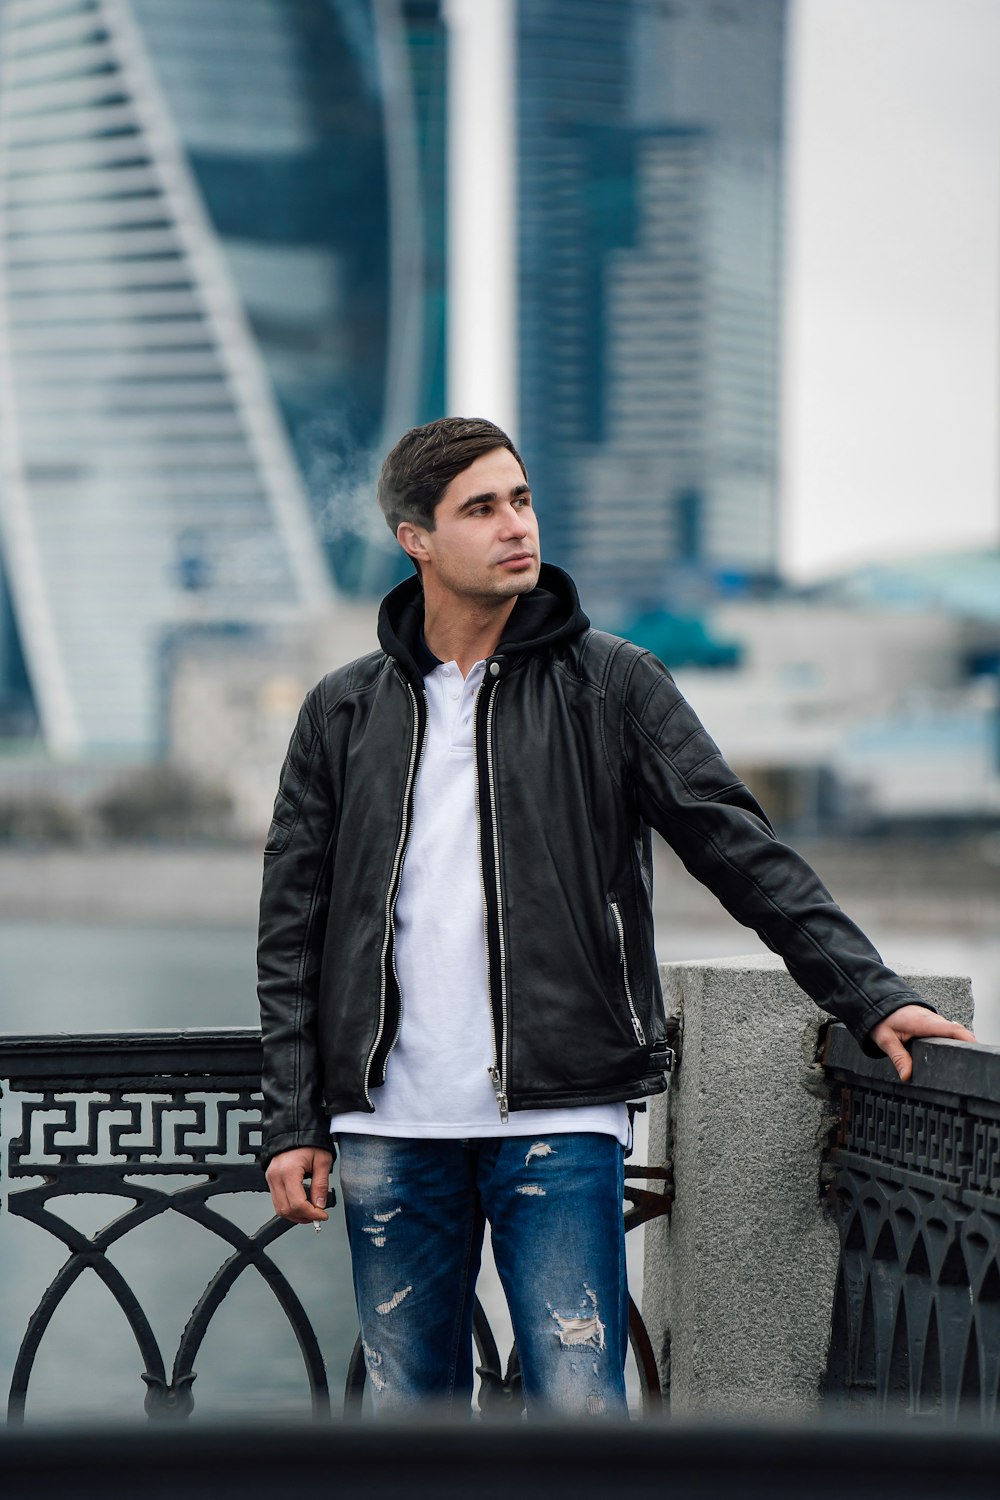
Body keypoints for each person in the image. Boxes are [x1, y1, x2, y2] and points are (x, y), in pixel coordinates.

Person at [257, 416, 974, 1418]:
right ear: (414, 538)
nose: (515, 526)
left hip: (561, 1111)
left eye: (521, 499)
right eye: (480, 509)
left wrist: (869, 994)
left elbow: (736, 847)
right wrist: (295, 1118)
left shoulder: (611, 683)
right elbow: (292, 925)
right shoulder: (342, 709)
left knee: (582, 1414)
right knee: (405, 1421)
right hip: (388, 1121)